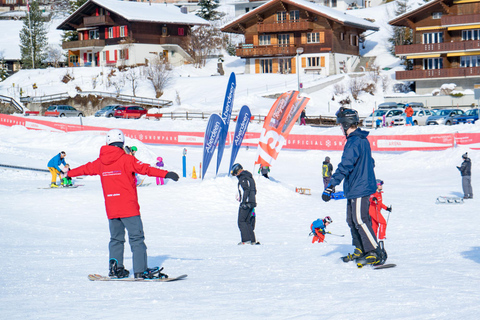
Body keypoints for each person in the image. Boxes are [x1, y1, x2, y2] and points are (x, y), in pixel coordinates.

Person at [67, 129, 180, 279]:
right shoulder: (127, 159)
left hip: (112, 208)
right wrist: (166, 174)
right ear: (122, 143)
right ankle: (140, 270)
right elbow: (146, 169)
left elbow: (84, 169)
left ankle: (116, 269)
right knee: (136, 238)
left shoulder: (100, 162)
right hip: (129, 208)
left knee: (116, 239)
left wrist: (68, 174)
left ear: (107, 143)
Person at [322, 107, 386, 267]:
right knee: (351, 220)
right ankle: (360, 248)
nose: (339, 128)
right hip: (356, 187)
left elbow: (345, 166)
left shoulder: (354, 141)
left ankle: (374, 252)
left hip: (359, 187)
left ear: (345, 124)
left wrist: (331, 186)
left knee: (360, 219)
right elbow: (370, 162)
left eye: (340, 125)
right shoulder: (361, 140)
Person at [231, 163, 258, 245]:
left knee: (241, 221)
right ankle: (252, 240)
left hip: (246, 203)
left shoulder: (243, 178)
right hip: (251, 202)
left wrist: (244, 202)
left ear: (238, 171)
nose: (235, 175)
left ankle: (246, 240)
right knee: (247, 221)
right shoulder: (249, 177)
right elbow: (253, 190)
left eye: (235, 173)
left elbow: (246, 190)